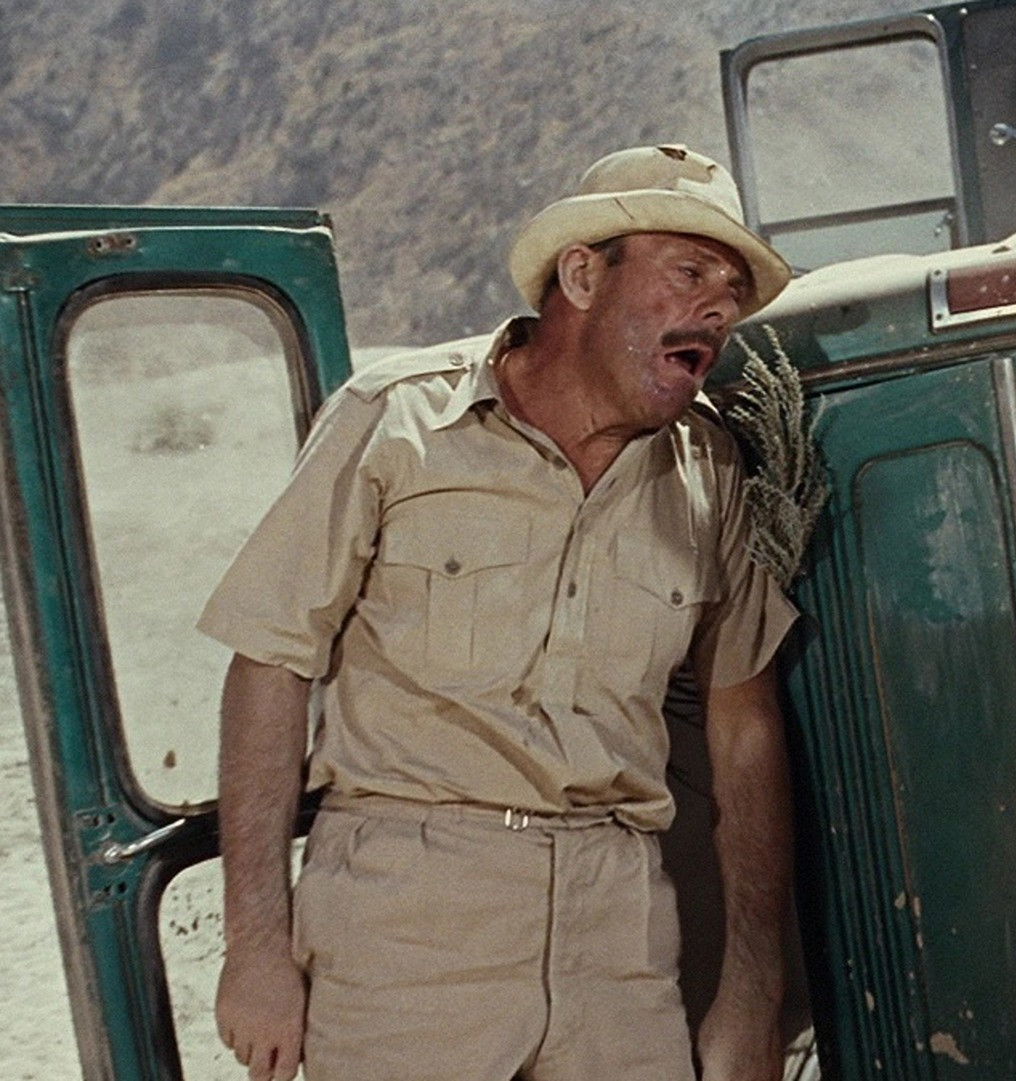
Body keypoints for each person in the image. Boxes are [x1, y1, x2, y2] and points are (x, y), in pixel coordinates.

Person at [200, 145, 800, 1081]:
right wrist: (257, 947)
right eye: (690, 273)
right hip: (404, 933)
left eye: (732, 291)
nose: (719, 309)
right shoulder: (397, 423)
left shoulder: (708, 471)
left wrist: (753, 987)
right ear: (582, 275)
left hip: (619, 939)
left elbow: (743, 725)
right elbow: (269, 666)